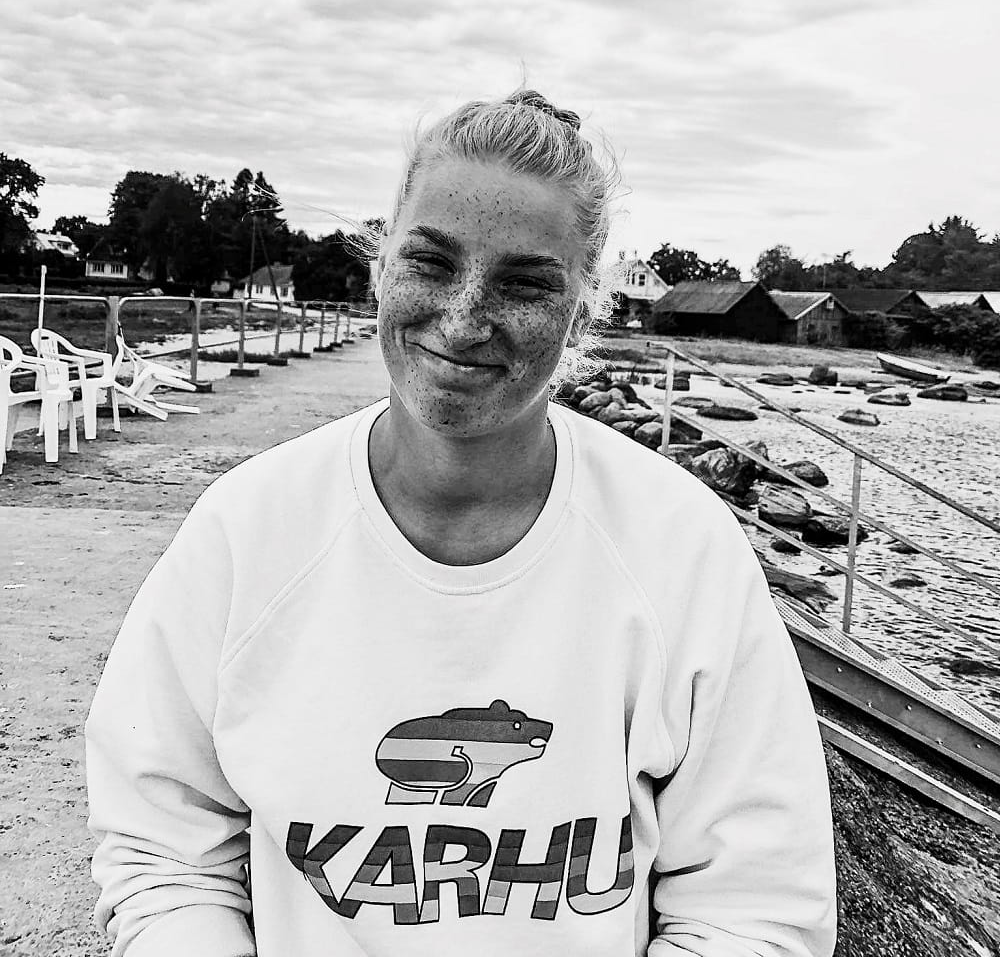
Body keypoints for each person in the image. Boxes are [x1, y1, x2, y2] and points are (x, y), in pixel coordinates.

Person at [86, 89, 837, 956]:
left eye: (524, 283)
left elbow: (756, 906)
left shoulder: (682, 552)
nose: (465, 318)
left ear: (582, 310)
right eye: (432, 263)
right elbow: (163, 845)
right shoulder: (247, 533)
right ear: (378, 266)